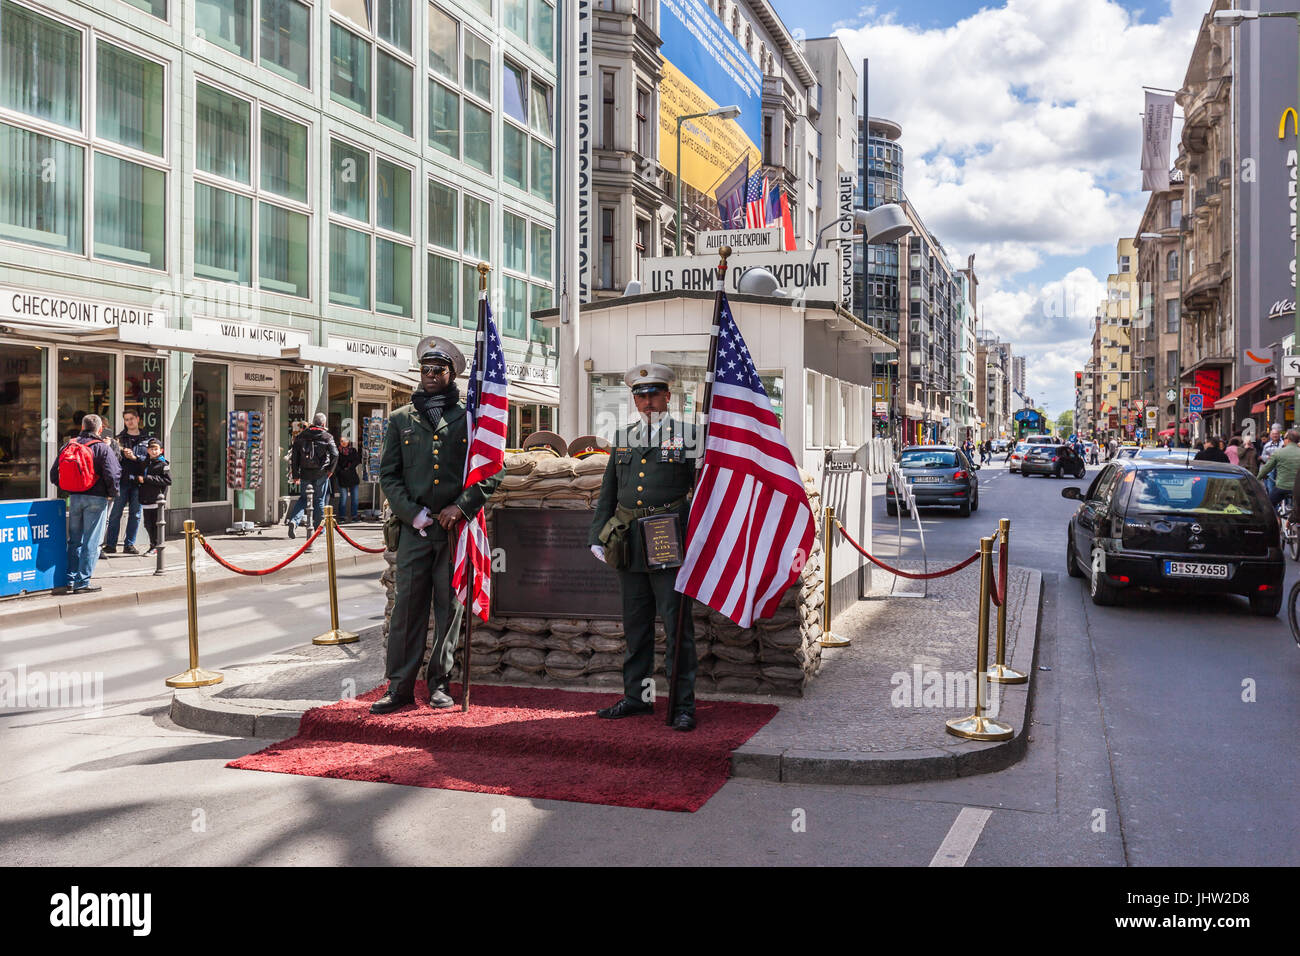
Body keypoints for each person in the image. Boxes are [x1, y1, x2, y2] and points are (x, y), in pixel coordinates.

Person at [371, 337, 503, 714]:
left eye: (438, 370)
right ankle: (399, 687)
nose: (429, 376)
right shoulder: (400, 420)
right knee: (407, 610)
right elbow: (389, 476)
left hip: (453, 532)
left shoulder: (470, 418)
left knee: (450, 609)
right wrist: (413, 513)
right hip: (415, 530)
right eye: (425, 370)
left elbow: (493, 470)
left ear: (451, 374)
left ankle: (440, 683)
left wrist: (460, 509)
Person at [589, 363, 701, 732]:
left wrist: (699, 538)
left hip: (669, 536)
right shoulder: (624, 436)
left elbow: (703, 492)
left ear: (668, 396)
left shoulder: (689, 435)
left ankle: (683, 705)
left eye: (654, 394)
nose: (647, 401)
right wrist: (598, 535)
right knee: (636, 627)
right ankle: (638, 697)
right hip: (629, 541)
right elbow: (609, 492)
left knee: (676, 625)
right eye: (640, 395)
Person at [50, 413, 120, 594]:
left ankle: (70, 579)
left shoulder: (69, 444)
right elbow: (112, 474)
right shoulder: (102, 448)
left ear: (82, 427)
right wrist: (112, 494)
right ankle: (82, 583)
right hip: (97, 498)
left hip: (74, 498)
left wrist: (71, 488)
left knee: (74, 541)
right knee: (92, 542)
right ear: (100, 429)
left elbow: (53, 474)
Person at [102, 410, 154, 555]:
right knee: (115, 514)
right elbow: (111, 461)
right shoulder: (119, 439)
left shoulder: (147, 439)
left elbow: (150, 461)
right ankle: (111, 544)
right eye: (126, 419)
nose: (129, 422)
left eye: (131, 419)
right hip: (122, 481)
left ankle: (129, 544)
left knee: (136, 514)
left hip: (138, 481)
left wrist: (135, 457)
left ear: (138, 419)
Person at [286, 413, 338, 538]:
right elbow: (335, 454)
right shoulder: (327, 436)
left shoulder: (301, 436)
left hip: (305, 472)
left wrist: (296, 475)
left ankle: (294, 521)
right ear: (324, 424)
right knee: (319, 499)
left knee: (303, 498)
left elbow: (295, 457)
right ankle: (319, 529)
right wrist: (330, 470)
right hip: (321, 472)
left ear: (313, 422)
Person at [135, 439, 172, 555]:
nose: (153, 451)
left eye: (156, 449)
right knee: (148, 524)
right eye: (151, 449)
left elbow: (168, 480)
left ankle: (156, 545)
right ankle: (153, 544)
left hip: (157, 499)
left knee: (156, 524)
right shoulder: (145, 463)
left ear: (161, 450)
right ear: (148, 450)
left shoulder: (163, 464)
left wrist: (147, 479)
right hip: (146, 498)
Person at [1258, 429, 1300, 511]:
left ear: (1288, 439)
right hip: (1298, 488)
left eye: (1283, 438)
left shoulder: (1278, 452)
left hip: (1282, 487)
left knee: (1268, 505)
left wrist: (1258, 478)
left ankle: (1277, 520)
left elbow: (1266, 468)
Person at [334, 437, 362, 522]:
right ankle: (342, 516)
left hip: (352, 476)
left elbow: (357, 460)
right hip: (342, 476)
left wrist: (349, 468)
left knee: (355, 497)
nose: (343, 443)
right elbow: (335, 463)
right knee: (343, 497)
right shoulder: (337, 451)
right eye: (341, 441)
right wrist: (341, 471)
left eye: (345, 441)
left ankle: (354, 516)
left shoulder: (352, 450)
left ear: (348, 442)